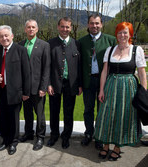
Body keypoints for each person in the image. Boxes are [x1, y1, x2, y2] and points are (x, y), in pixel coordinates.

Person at [94, 22, 147, 161]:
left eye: (125, 32)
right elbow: (105, 71)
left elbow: (142, 73)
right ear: (116, 35)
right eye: (119, 32)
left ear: (130, 34)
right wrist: (101, 90)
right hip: (110, 86)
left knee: (123, 117)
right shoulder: (110, 50)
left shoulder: (137, 50)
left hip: (129, 87)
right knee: (107, 115)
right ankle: (106, 145)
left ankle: (117, 147)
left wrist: (144, 92)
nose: (122, 35)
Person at [79, 14, 117, 149]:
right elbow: (79, 64)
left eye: (97, 23)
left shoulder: (111, 40)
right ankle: (88, 133)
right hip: (88, 82)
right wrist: (79, 84)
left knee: (102, 110)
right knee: (88, 109)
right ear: (88, 25)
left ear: (101, 24)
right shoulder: (81, 41)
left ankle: (100, 136)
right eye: (91, 23)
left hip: (104, 83)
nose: (94, 26)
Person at [0, 25, 31, 155]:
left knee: (13, 118)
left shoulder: (21, 50)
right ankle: (5, 140)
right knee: (2, 117)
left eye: (6, 35)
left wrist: (26, 92)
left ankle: (13, 142)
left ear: (12, 36)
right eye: (1, 36)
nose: (4, 38)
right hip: (1, 90)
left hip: (15, 91)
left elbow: (27, 73)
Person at [47, 17, 82, 149]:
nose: (65, 29)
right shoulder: (50, 43)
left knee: (68, 112)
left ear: (71, 28)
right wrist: (48, 84)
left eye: (67, 27)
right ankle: (54, 135)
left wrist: (80, 84)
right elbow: (47, 66)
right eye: (62, 26)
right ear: (58, 27)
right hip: (55, 83)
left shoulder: (76, 44)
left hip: (71, 84)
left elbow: (80, 66)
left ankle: (66, 136)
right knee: (54, 111)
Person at [18, 19, 50, 151]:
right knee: (27, 113)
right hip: (25, 89)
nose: (31, 29)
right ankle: (28, 133)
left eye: (33, 27)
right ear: (25, 29)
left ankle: (40, 137)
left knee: (40, 114)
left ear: (37, 29)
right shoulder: (20, 45)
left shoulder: (44, 45)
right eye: (28, 27)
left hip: (38, 88)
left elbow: (46, 68)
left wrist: (43, 87)